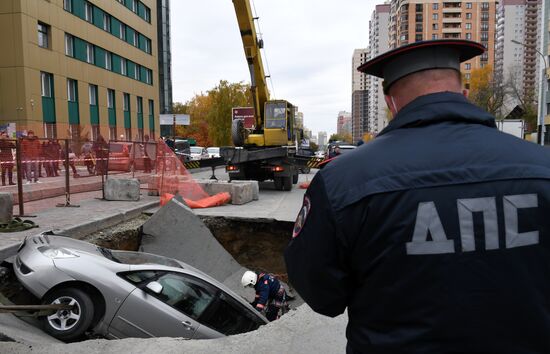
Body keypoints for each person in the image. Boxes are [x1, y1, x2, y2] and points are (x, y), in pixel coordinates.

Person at [285, 39, 550, 353]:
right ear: (464, 93)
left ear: (391, 102)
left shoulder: (344, 181)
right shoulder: (541, 168)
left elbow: (321, 294)